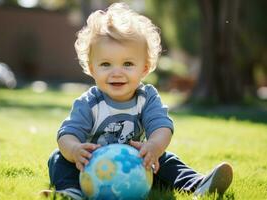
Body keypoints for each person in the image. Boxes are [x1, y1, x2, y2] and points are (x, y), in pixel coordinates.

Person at [46, 3, 233, 199]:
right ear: (92, 69)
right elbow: (67, 135)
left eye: (127, 64)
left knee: (165, 159)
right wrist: (75, 149)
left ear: (144, 69)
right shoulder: (89, 103)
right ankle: (71, 192)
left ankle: (197, 185)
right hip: (92, 166)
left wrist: (153, 146)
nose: (116, 72)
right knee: (58, 158)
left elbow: (162, 127)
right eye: (105, 64)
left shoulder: (147, 98)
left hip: (136, 165)